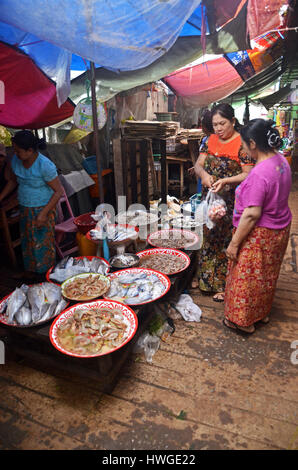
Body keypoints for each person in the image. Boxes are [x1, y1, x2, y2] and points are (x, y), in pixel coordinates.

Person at [221, 119, 292, 333]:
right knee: (265, 275)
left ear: (252, 144)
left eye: (243, 144)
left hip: (259, 233)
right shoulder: (281, 161)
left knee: (246, 278)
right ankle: (260, 313)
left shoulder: (260, 173)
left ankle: (242, 322)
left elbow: (252, 214)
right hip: (279, 229)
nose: (242, 149)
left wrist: (234, 244)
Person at [192, 103, 254, 299]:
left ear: (233, 121)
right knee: (208, 236)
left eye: (222, 123)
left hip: (232, 201)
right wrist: (203, 175)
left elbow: (248, 173)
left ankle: (224, 285)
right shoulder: (208, 140)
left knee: (227, 240)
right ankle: (204, 279)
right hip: (211, 199)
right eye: (215, 124)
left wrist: (226, 181)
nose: (218, 128)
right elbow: (199, 165)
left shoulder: (243, 143)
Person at [10, 131, 63, 280]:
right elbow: (14, 181)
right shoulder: (16, 160)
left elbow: (58, 192)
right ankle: (30, 271)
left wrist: (43, 214)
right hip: (25, 207)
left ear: (30, 151)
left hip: (43, 208)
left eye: (18, 151)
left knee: (43, 244)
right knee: (27, 241)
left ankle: (47, 276)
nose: (15, 153)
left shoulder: (45, 165)